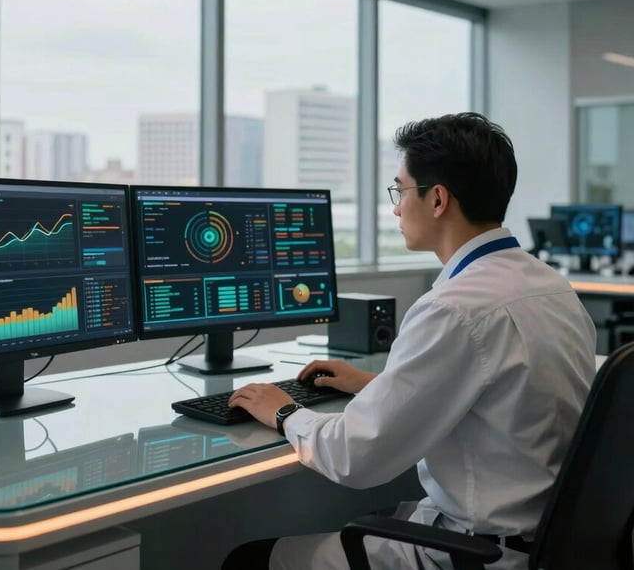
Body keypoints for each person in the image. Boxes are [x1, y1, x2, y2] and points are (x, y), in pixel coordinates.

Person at [222, 112, 597, 570]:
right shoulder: (551, 286)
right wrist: (375, 384)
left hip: (476, 554)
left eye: (400, 190)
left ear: (437, 199)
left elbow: (353, 457)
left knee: (248, 560)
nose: (396, 208)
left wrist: (282, 411)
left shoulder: (453, 308)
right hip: (547, 542)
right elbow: (504, 393)